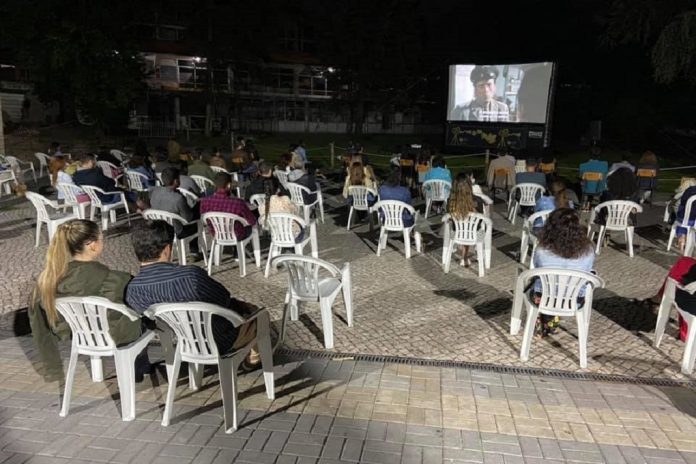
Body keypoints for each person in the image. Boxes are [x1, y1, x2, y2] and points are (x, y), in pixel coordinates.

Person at [125, 221, 259, 367]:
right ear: (167, 249)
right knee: (258, 316)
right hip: (222, 338)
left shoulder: (133, 290)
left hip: (184, 341)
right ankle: (254, 357)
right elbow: (224, 298)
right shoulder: (191, 276)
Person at [29, 220, 144, 380]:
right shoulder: (114, 278)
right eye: (101, 238)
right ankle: (138, 368)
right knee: (139, 317)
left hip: (76, 334)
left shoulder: (48, 281)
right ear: (92, 245)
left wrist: (53, 369)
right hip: (111, 336)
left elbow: (39, 326)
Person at [533, 208, 595, 337]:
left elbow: (537, 267)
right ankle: (551, 319)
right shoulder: (588, 250)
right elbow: (588, 270)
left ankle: (545, 318)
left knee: (536, 282)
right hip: (574, 300)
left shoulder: (541, 249)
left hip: (544, 298)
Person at [149, 167, 201, 257]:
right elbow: (187, 219)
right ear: (176, 181)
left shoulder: (154, 191)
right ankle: (194, 251)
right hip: (176, 231)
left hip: (159, 228)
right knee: (196, 218)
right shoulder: (178, 198)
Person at [200, 172, 257, 240]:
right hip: (237, 235)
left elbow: (204, 220)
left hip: (217, 235)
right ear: (229, 185)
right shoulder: (238, 203)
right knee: (252, 224)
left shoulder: (205, 201)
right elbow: (252, 221)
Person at [447, 174, 481, 267]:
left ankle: (463, 256)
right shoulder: (477, 200)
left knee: (463, 225)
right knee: (477, 226)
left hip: (457, 230)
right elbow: (480, 219)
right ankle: (470, 255)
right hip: (473, 232)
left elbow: (449, 216)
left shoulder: (451, 200)